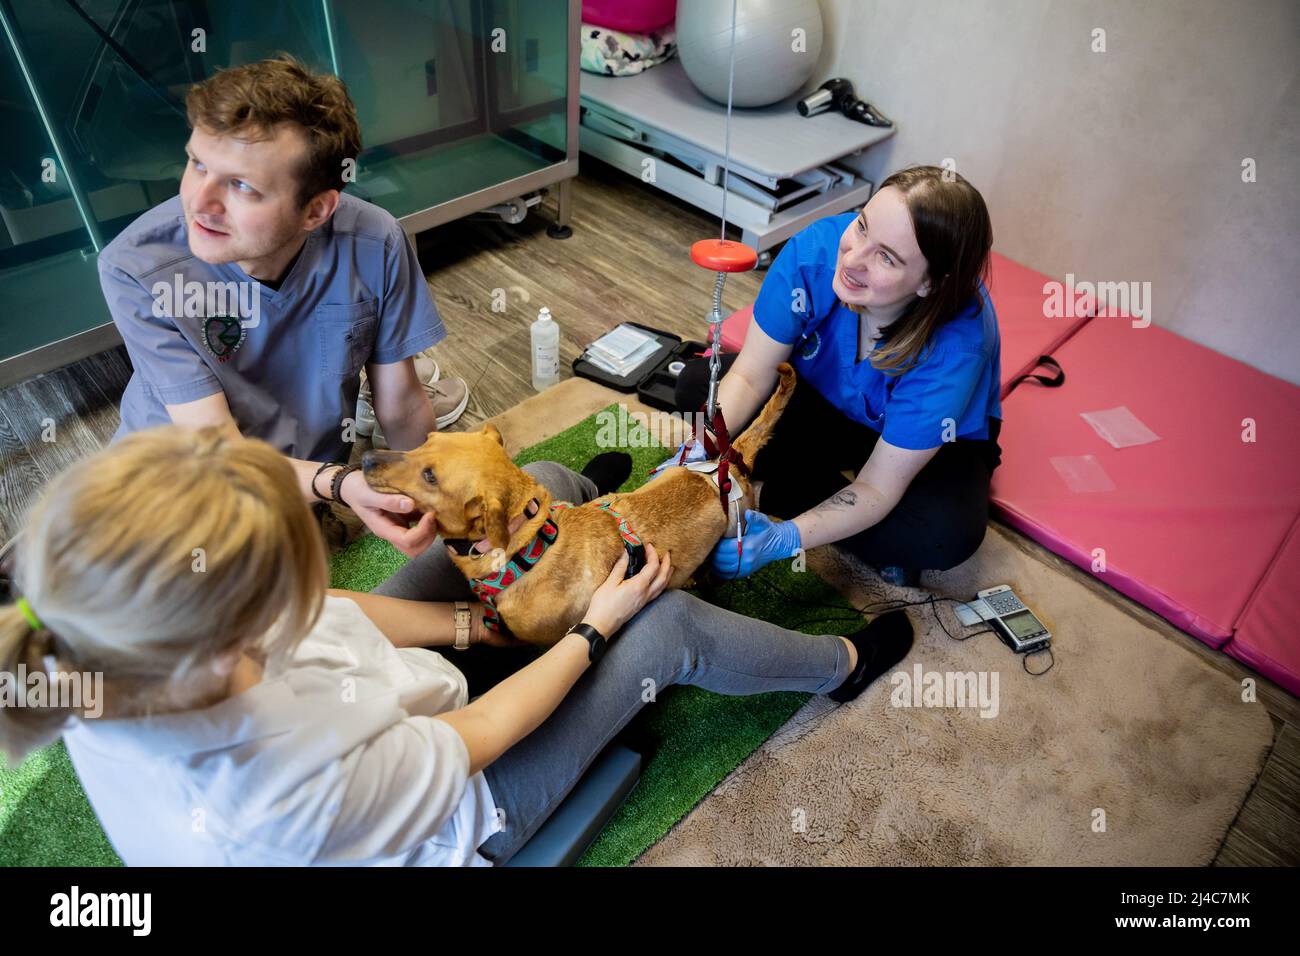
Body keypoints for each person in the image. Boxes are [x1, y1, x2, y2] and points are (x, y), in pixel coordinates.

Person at [0, 427, 913, 865]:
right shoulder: (276, 797)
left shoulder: (86, 636)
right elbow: (484, 731)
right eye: (284, 587)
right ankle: (840, 667)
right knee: (663, 621)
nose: (308, 592)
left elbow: (334, 612)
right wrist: (598, 627)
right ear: (232, 639)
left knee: (546, 487)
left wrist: (473, 623)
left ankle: (560, 535)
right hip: (465, 807)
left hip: (390, 697)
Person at [99, 55, 467, 557]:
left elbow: (399, 400)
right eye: (198, 163)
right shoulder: (136, 266)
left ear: (316, 209)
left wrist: (429, 493)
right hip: (186, 483)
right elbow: (219, 451)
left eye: (242, 186)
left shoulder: (375, 240)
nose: (199, 201)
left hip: (308, 481)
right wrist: (340, 484)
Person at [663, 166, 1003, 588]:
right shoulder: (815, 253)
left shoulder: (958, 344)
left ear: (930, 283)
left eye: (886, 257)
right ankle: (829, 503)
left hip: (932, 445)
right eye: (861, 226)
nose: (853, 259)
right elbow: (751, 376)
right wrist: (689, 458)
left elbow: (878, 487)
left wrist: (784, 538)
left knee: (944, 537)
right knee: (697, 384)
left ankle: (783, 495)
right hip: (825, 406)